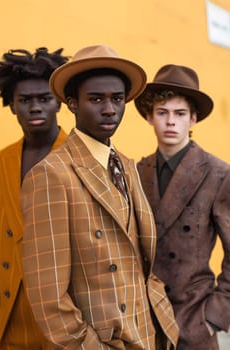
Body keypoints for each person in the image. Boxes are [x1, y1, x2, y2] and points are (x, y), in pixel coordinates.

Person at [21, 44, 179, 350]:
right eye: (96, 99)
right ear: (72, 104)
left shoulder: (128, 167)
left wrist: (164, 323)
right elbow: (48, 297)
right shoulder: (51, 175)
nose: (109, 109)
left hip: (152, 335)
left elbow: (143, 265)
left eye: (117, 99)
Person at [0, 47, 69, 350]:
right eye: (25, 100)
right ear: (12, 105)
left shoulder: (80, 157)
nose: (35, 108)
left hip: (65, 320)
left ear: (59, 102)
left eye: (44, 99)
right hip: (9, 314)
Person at [135, 64, 230, 350]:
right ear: (150, 117)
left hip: (192, 319)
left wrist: (214, 316)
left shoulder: (218, 174)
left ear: (193, 119)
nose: (171, 122)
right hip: (143, 320)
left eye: (180, 114)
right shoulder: (137, 173)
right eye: (162, 113)